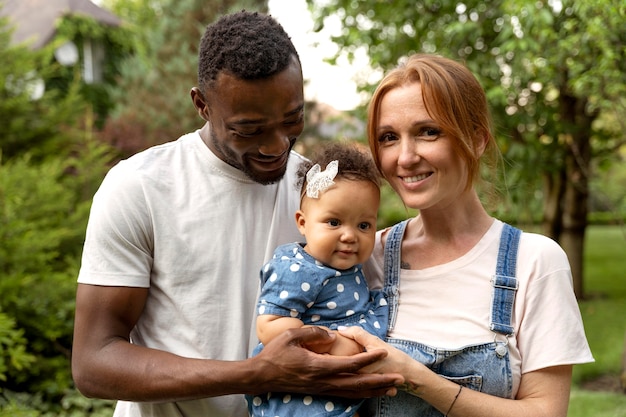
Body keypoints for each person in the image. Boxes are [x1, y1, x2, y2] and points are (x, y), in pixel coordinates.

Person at [70, 11, 402, 417]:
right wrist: (256, 374)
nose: (277, 144)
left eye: (291, 119)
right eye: (250, 129)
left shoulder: (318, 192)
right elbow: (94, 363)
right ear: (202, 105)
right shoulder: (139, 187)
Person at [338, 53, 594, 417]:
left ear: (476, 140)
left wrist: (416, 377)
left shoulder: (534, 262)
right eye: (389, 137)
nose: (405, 157)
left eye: (428, 131)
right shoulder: (363, 257)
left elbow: (546, 412)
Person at [246, 143, 389, 417]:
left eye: (364, 225)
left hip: (334, 393)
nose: (349, 236)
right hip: (299, 398)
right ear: (302, 222)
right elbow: (269, 325)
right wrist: (331, 343)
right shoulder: (298, 269)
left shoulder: (348, 265)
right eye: (334, 222)